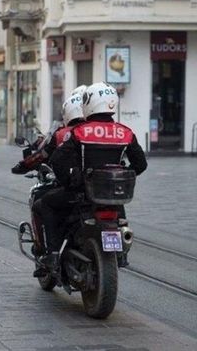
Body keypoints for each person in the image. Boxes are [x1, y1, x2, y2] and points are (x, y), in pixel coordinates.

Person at [35, 82, 147, 271]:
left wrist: (69, 183)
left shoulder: (79, 132)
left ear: (90, 103)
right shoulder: (126, 132)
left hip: (82, 194)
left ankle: (53, 254)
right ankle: (121, 254)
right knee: (120, 216)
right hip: (113, 196)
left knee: (45, 203)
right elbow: (140, 165)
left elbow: (57, 160)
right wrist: (121, 175)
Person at [11, 86, 86, 174]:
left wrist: (24, 164)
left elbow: (45, 153)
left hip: (67, 179)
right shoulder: (94, 129)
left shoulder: (62, 133)